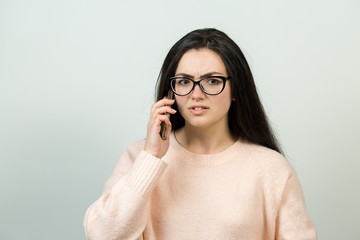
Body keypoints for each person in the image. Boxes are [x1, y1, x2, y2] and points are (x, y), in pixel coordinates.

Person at [83, 28, 317, 240]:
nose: (196, 94)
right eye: (184, 81)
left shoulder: (271, 169)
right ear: (170, 91)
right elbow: (103, 236)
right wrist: (151, 158)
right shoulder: (139, 158)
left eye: (212, 81)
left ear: (235, 89)